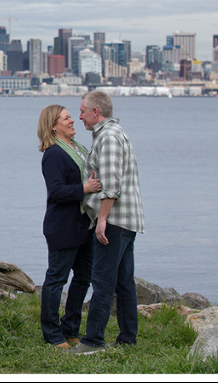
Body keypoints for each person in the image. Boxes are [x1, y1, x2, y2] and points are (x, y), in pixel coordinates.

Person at [67, 90, 145, 355]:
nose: (79, 117)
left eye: (82, 111)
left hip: (114, 221)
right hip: (125, 221)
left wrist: (101, 220)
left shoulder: (109, 138)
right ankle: (127, 338)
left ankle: (93, 341)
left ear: (95, 112)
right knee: (123, 282)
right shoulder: (113, 134)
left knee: (102, 281)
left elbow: (111, 186)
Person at [37, 104, 102, 349]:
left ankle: (71, 328)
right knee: (56, 279)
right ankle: (52, 335)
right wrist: (85, 188)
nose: (72, 120)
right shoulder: (53, 154)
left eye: (71, 117)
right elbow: (56, 190)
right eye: (66, 118)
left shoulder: (78, 149)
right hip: (63, 226)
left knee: (84, 277)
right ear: (53, 126)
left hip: (83, 223)